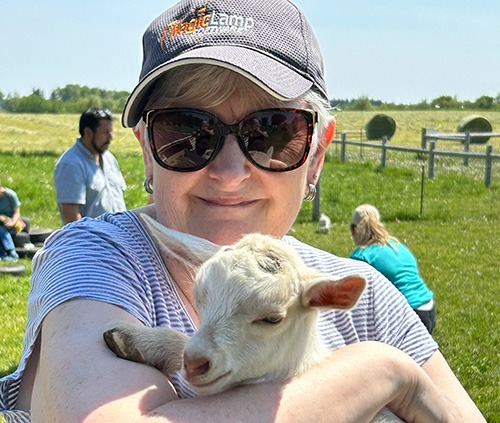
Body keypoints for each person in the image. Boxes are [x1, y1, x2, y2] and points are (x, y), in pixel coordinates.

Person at [0, 1, 485, 422]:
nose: (230, 173)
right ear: (147, 150)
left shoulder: (370, 302)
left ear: (316, 153)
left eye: (273, 132)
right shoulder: (100, 258)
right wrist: (385, 374)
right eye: (187, 133)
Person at [349, 204, 436, 334]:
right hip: (428, 308)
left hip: (407, 315)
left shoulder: (361, 256)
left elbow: (352, 298)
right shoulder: (397, 246)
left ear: (353, 230)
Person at [53, 108, 127, 224]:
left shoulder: (109, 158)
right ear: (88, 133)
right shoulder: (70, 164)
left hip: (119, 236)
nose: (110, 137)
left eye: (111, 131)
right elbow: (71, 215)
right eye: (105, 132)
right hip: (94, 239)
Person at [0, 181, 30, 261]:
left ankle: (12, 253)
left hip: (15, 222)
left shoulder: (10, 195)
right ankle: (3, 253)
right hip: (2, 221)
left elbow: (17, 213)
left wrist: (12, 222)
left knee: (2, 230)